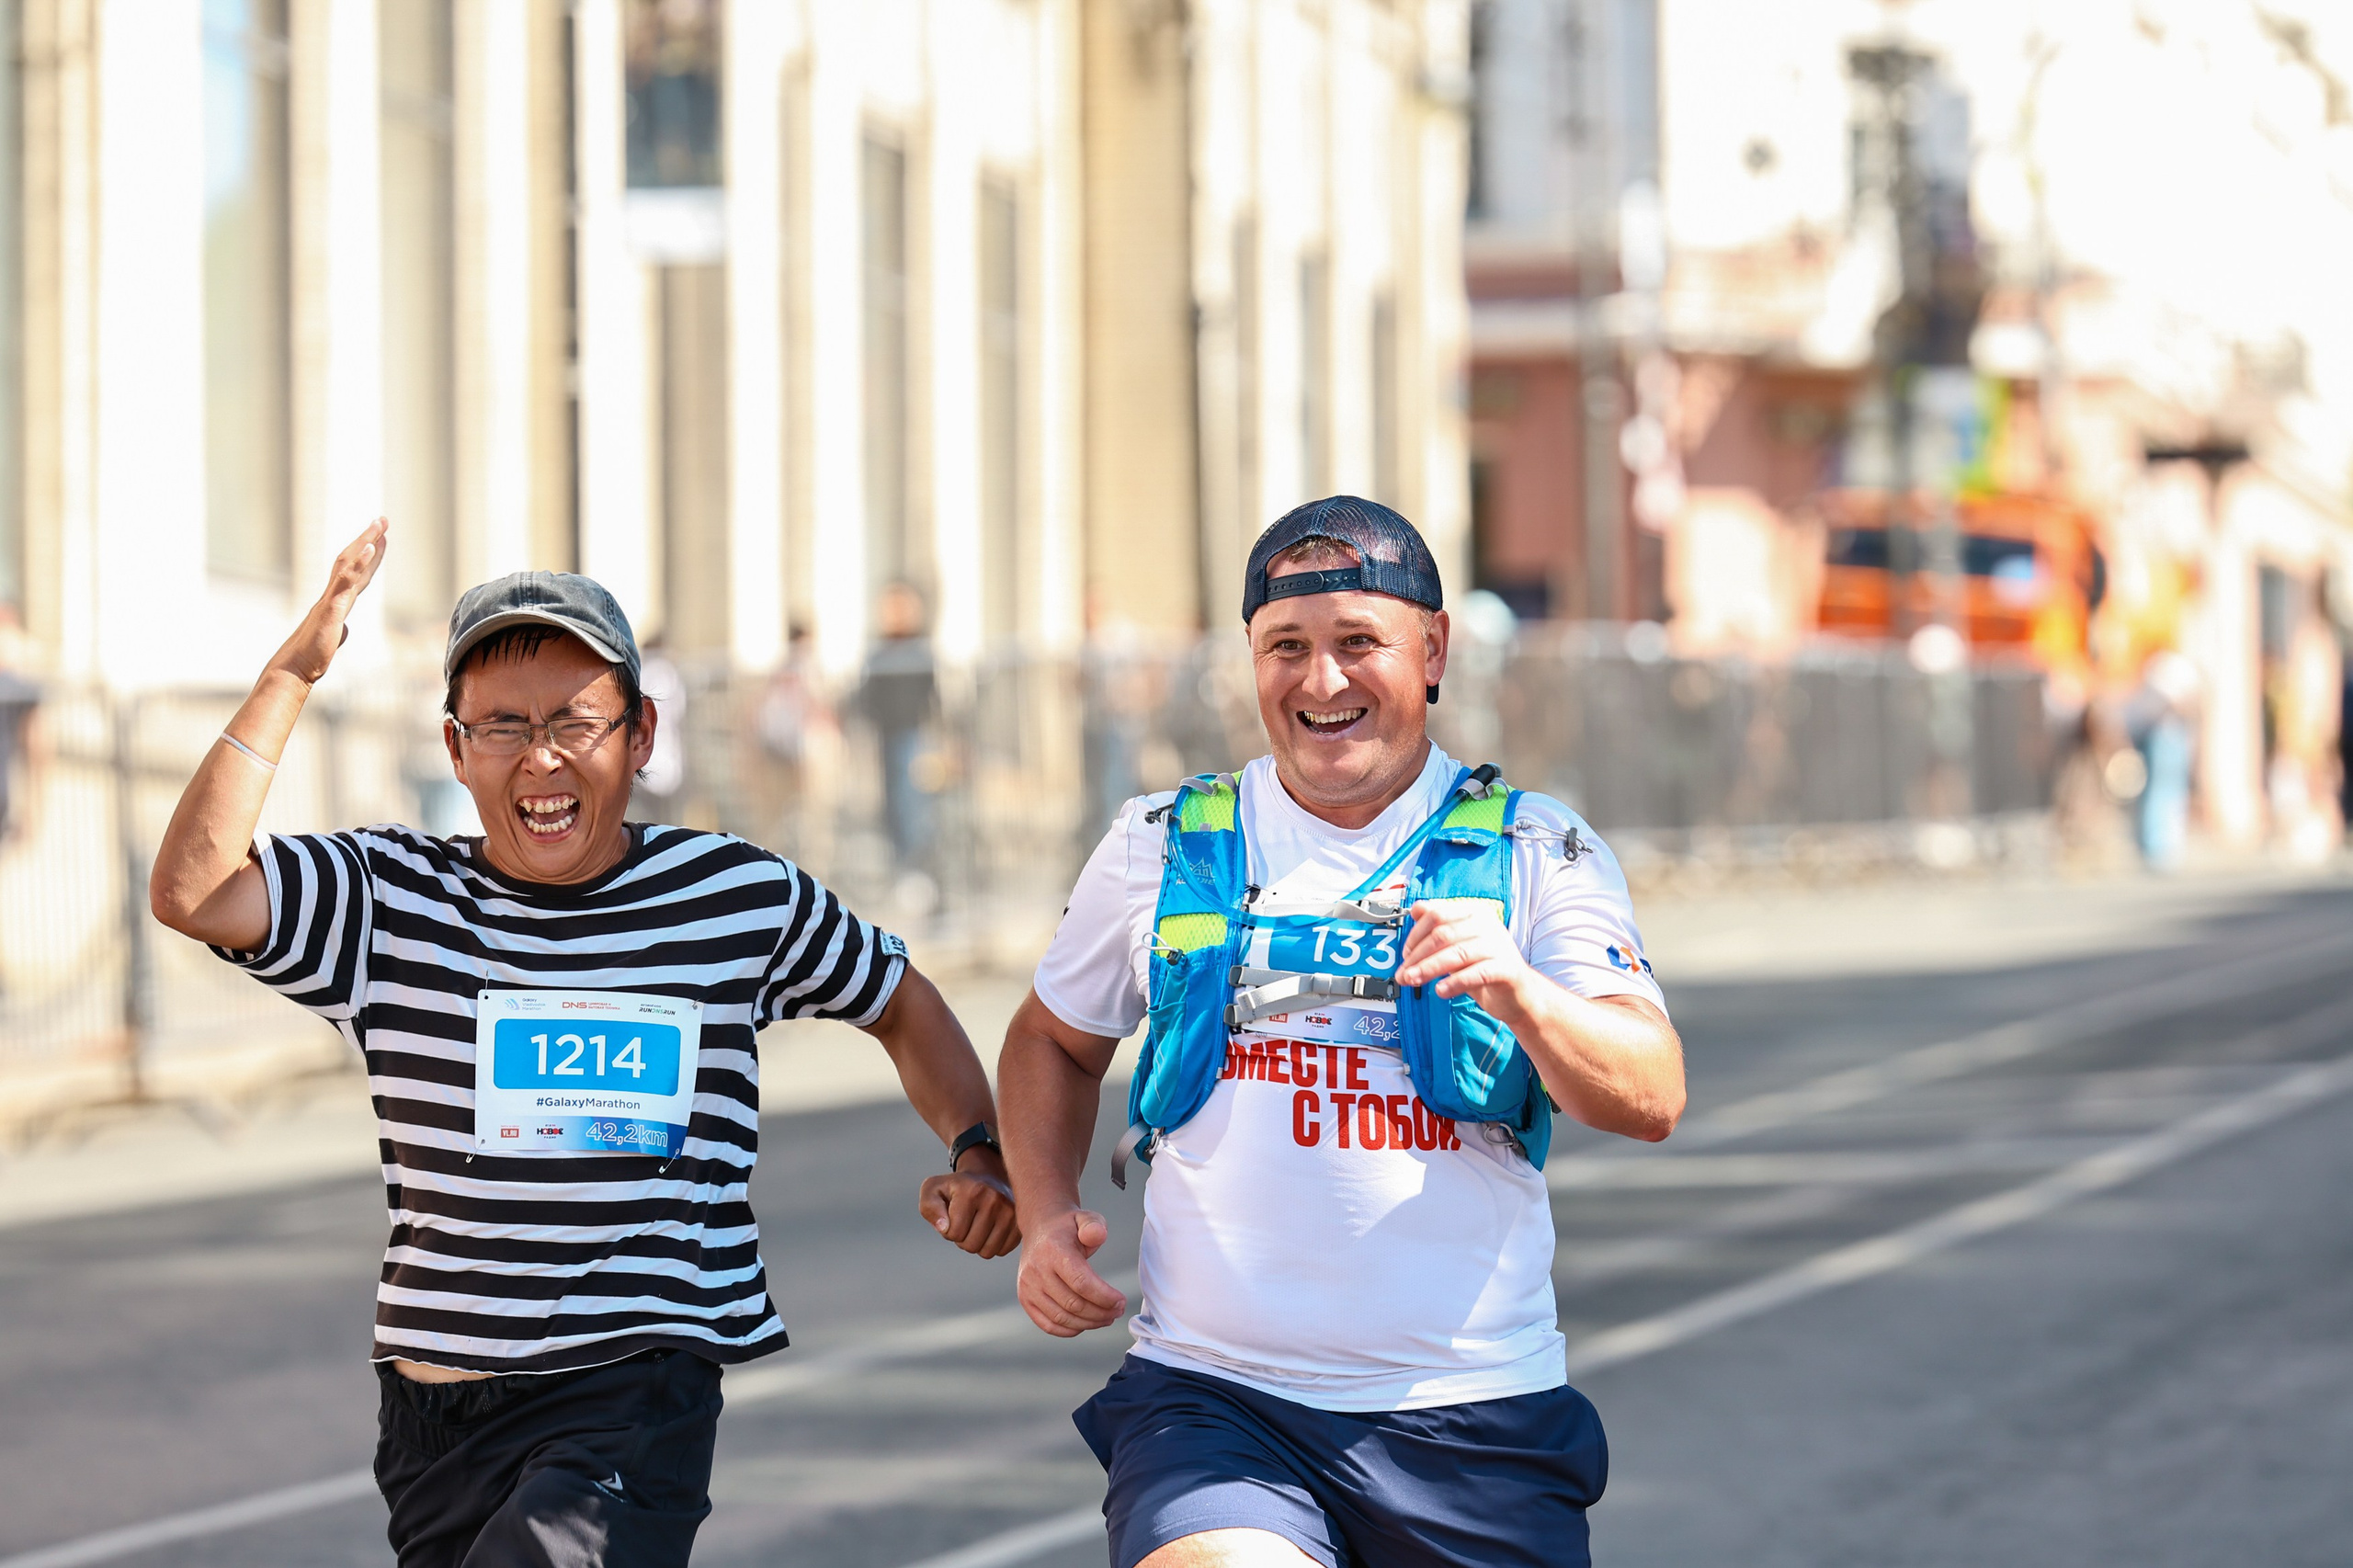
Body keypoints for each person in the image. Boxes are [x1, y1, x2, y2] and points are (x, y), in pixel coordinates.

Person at [149, 522, 1018, 1568]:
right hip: (436, 1402)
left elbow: (896, 996)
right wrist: (292, 675)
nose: (543, 755)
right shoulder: (393, 900)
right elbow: (196, 889)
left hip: (633, 1384)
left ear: (640, 734)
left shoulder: (731, 895)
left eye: (575, 721)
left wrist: (976, 1147)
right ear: (455, 749)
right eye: (504, 726)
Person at [1000, 496, 1685, 1568]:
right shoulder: (1158, 840)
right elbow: (1051, 1039)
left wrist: (1520, 989)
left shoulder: (1538, 847)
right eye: (1287, 647)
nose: (1321, 682)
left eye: (1357, 642)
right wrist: (1044, 1216)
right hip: (1216, 1401)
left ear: (1432, 650)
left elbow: (1650, 1093)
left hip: (1470, 1411)